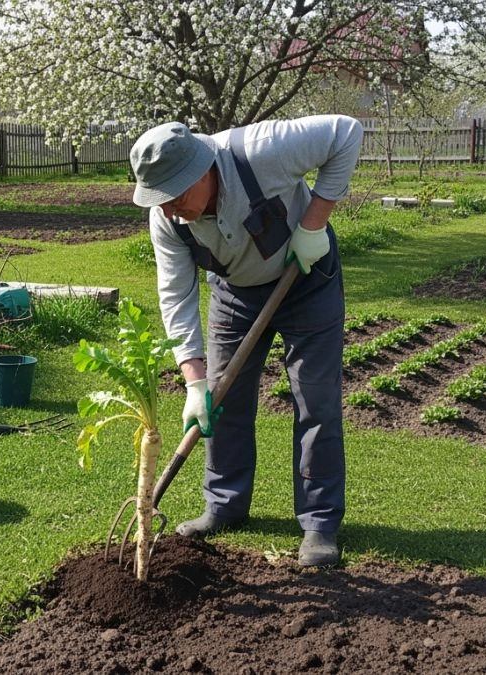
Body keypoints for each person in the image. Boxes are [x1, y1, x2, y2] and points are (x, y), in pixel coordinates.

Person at [128, 115, 363, 567]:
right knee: (223, 399)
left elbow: (346, 133)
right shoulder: (167, 220)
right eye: (160, 200)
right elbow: (175, 296)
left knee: (315, 401)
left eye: (176, 196)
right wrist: (195, 382)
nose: (170, 209)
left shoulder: (260, 150)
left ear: (203, 170)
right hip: (235, 294)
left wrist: (314, 225)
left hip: (306, 278)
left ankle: (319, 522)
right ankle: (224, 505)